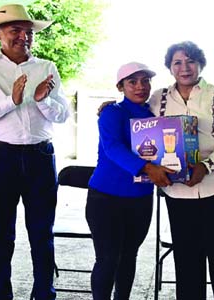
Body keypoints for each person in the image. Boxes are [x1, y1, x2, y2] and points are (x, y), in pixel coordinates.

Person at [0, 4, 70, 299]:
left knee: (42, 231)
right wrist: (11, 101)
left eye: (28, 31)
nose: (24, 36)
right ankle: (0, 295)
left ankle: (45, 292)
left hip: (40, 156)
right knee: (0, 234)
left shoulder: (46, 68)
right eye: (15, 30)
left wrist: (42, 100)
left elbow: (62, 115)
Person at [148, 41, 214, 300]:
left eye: (190, 61)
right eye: (177, 62)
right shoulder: (158, 98)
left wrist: (206, 165)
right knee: (186, 256)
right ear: (169, 67)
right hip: (178, 190)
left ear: (200, 64)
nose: (184, 67)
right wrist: (108, 108)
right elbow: (139, 125)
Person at [86, 62, 173, 299]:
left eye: (145, 81)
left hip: (140, 199)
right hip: (105, 199)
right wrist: (147, 168)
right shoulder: (112, 113)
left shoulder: (155, 114)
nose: (140, 86)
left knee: (129, 256)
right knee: (108, 258)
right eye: (132, 82)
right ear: (121, 86)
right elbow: (113, 148)